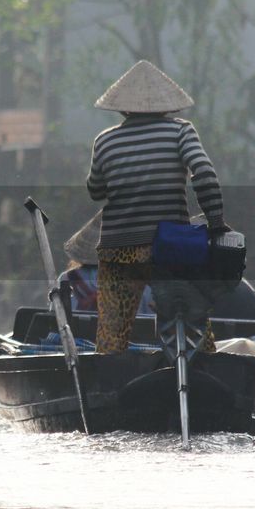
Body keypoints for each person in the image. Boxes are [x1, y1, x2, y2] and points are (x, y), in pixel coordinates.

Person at [85, 60, 226, 353]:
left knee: (112, 333)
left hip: (118, 249)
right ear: (167, 106)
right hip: (170, 246)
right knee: (193, 325)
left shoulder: (105, 141)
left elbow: (95, 191)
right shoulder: (180, 132)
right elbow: (205, 173)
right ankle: (199, 371)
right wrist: (216, 222)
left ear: (122, 108)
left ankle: (107, 384)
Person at [59, 210, 154, 314]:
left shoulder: (66, 279)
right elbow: (153, 324)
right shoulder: (143, 284)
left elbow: (55, 324)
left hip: (74, 330)